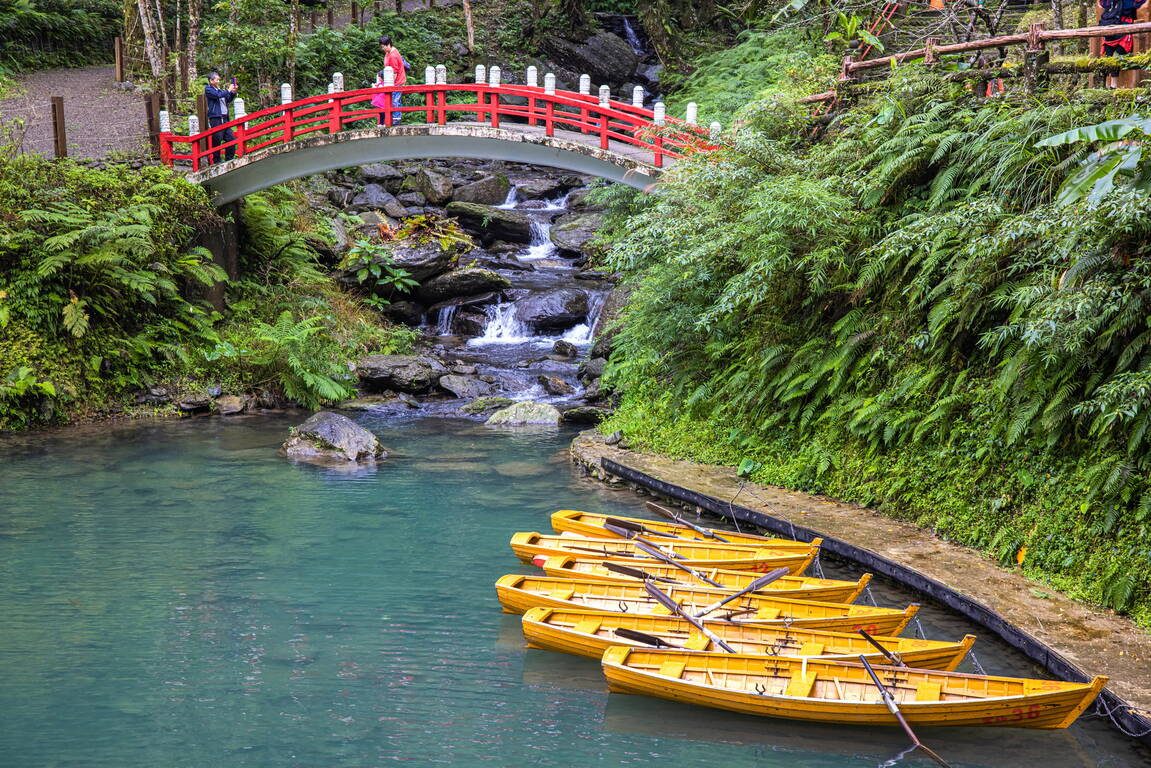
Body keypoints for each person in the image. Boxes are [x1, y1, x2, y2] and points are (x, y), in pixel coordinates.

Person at [1099, 0, 1147, 87]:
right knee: (1108, 57)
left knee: (1114, 56)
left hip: (1117, 31)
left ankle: (1112, 85)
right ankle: (1107, 85)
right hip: (1114, 30)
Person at [204, 71, 238, 163]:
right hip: (216, 118)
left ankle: (229, 159)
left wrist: (233, 92)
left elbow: (228, 99)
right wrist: (228, 90)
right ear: (211, 81)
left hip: (225, 118)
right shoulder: (208, 89)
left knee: (231, 138)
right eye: (217, 79)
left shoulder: (220, 90)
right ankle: (217, 161)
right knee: (217, 139)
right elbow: (217, 96)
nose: (219, 81)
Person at [375, 34, 408, 124]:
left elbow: (395, 73)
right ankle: (391, 119)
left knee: (395, 101)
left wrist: (388, 85)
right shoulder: (388, 52)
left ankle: (396, 121)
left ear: (388, 44)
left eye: (383, 47)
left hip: (397, 82)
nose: (383, 49)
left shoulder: (393, 55)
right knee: (392, 100)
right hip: (390, 80)